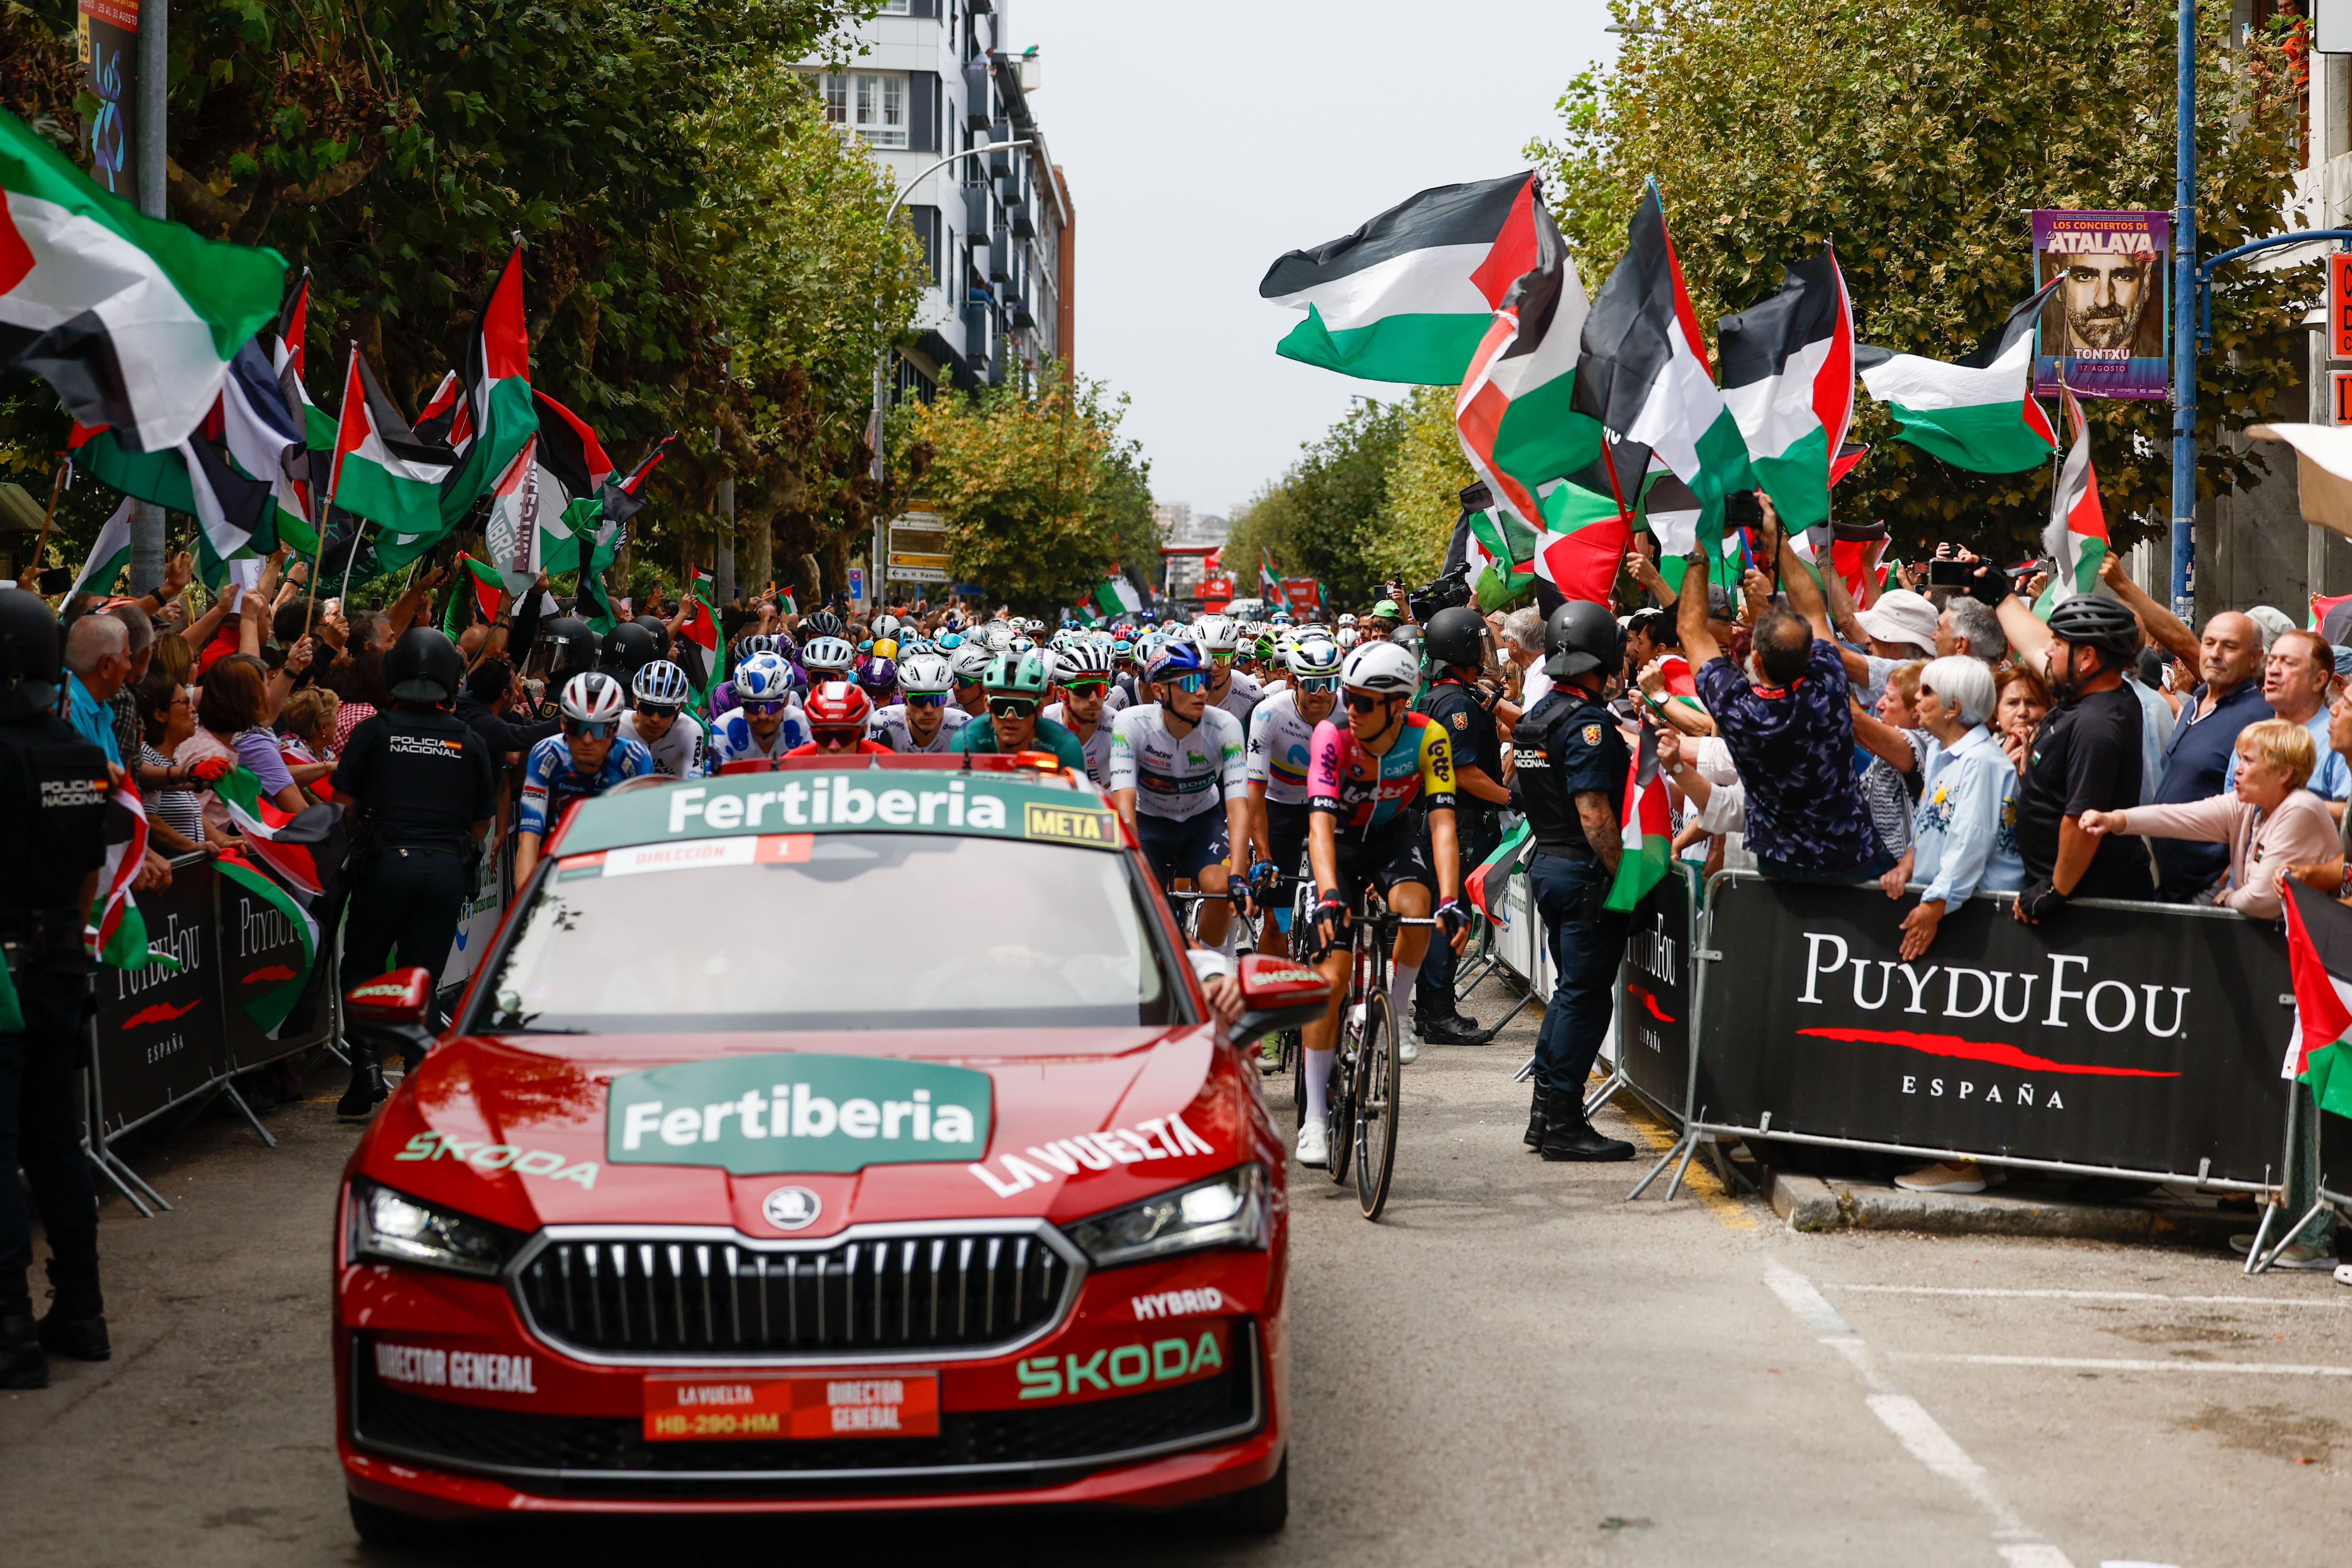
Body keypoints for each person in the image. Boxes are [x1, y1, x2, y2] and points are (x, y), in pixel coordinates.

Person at [0, 590, 119, 1387]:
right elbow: (89, 873)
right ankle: (81, 1309)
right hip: (60, 967)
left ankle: (11, 1328)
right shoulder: (82, 755)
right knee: (56, 1143)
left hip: (4, 972)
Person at [1295, 640, 1468, 1165]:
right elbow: (1319, 825)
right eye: (1348, 696)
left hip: (1392, 837)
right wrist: (1328, 895)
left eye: (1363, 701)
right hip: (1339, 848)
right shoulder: (1333, 735)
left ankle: (1395, 1011)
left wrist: (1448, 898)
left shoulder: (1427, 736)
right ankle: (1313, 1120)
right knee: (1331, 977)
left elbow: (1441, 823)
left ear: (1397, 705)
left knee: (1416, 908)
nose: (1350, 708)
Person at [327, 629, 498, 1117]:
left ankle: (365, 1073)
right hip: (444, 869)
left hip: (383, 866)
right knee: (422, 975)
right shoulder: (468, 738)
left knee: (361, 964)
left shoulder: (374, 731)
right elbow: (481, 819)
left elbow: (344, 806)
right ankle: (419, 1078)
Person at [1508, 602, 1637, 1163]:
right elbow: (1593, 814)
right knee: (1583, 1000)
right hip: (1584, 873)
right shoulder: (1586, 724)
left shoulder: (1536, 717)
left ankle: (1545, 1116)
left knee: (1568, 996)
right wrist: (1625, 875)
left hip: (1548, 865)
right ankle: (1562, 1120)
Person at [1684, 533, 1891, 884]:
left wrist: (1701, 546)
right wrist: (1778, 541)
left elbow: (1690, 630)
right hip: (1854, 861)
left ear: (1756, 660)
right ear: (1812, 653)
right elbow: (1813, 610)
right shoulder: (1829, 681)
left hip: (1781, 872)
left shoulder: (1737, 709)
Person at [1989, 589, 2156, 914]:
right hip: (2080, 896)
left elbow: (2083, 822)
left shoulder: (2097, 726)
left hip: (2090, 907)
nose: (2049, 651)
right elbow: (2037, 648)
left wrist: (2053, 891)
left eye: (2060, 644)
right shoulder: (2097, 690)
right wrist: (1996, 592)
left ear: (2087, 658)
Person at [2083, 719, 2336, 920]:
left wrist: (2229, 898)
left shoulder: (2301, 809)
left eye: (2249, 760)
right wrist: (2116, 820)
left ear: (2284, 773)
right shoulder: (2247, 806)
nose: (2238, 768)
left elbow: (2263, 901)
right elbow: (2178, 817)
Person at [1109, 641, 1254, 954]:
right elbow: (1123, 803)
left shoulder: (1225, 726)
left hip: (1201, 821)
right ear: (1160, 691)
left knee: (1219, 888)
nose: (1201, 691)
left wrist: (1239, 876)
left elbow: (1239, 807)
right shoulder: (1130, 724)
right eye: (1190, 683)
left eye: (1206, 680)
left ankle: (1209, 968)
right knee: (1144, 899)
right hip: (1148, 822)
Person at [1412, 606, 1508, 1045]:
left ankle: (1438, 1008)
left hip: (1449, 822)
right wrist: (1512, 797)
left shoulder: (1447, 694)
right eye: (1480, 643)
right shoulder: (1455, 704)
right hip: (1459, 824)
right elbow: (1463, 771)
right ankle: (1437, 1015)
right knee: (1445, 917)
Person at [1245, 636, 1342, 969]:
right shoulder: (1269, 713)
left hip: (1329, 808)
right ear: (1292, 681)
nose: (1322, 695)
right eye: (1312, 685)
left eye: (1330, 683)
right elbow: (1254, 791)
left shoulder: (1347, 709)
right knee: (1277, 923)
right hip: (1280, 810)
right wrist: (1264, 854)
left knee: (1337, 911)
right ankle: (1271, 1004)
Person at [514, 671, 654, 887]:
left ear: (614, 729)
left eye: (598, 730)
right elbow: (529, 839)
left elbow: (642, 841)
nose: (587, 740)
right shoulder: (546, 754)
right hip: (561, 859)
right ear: (563, 725)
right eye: (577, 728)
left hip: (614, 862)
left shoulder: (635, 759)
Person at [2225, 631, 2350, 807]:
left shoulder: (2338, 738)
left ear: (2319, 680)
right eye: (2270, 662)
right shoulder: (2253, 736)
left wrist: (2284, 804)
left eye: (2288, 663)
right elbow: (2230, 807)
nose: (2274, 670)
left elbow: (2348, 815)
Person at [953, 649, 1090, 772]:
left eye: (1022, 708)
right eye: (1000, 707)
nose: (1011, 716)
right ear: (988, 706)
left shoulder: (1065, 747)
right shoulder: (966, 740)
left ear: (1039, 709)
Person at [707, 653, 810, 770]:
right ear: (741, 701)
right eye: (753, 706)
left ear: (786, 700)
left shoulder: (805, 726)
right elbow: (716, 783)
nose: (763, 716)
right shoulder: (723, 728)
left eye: (772, 706)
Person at [1041, 643, 1118, 785]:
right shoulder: (1044, 719)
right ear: (1063, 693)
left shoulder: (1118, 725)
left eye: (1100, 688)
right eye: (1084, 690)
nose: (1094, 699)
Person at [867, 651, 970, 754]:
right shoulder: (884, 721)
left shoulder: (962, 724)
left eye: (937, 700)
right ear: (904, 695)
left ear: (947, 697)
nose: (928, 710)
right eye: (919, 700)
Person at [618, 660, 704, 779]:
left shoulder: (690, 730)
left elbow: (694, 784)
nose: (655, 719)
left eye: (665, 711)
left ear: (679, 709)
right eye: (648, 708)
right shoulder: (617, 725)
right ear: (635, 702)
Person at [1192, 615, 1264, 723]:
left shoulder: (1252, 694)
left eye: (1223, 659)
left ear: (1234, 655)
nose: (1215, 668)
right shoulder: (1177, 690)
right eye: (1207, 659)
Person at [789, 681, 892, 756]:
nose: (834, 747)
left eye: (844, 736)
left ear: (864, 730)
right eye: (825, 737)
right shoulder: (793, 761)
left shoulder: (886, 761)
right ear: (813, 733)